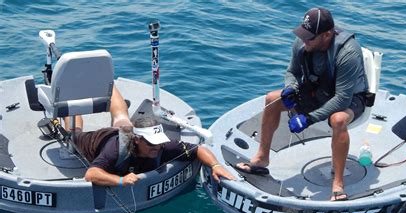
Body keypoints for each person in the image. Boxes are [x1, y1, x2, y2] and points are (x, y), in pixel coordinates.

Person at [235, 8, 368, 201]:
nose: (304, 41)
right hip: (318, 90)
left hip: (351, 99)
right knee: (272, 99)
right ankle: (262, 158)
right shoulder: (303, 41)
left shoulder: (348, 53)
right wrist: (291, 88)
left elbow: (342, 99)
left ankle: (338, 183)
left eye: (310, 38)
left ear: (327, 35)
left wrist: (308, 118)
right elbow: (292, 72)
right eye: (303, 36)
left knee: (338, 119)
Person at [66, 87, 235, 186]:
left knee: (122, 120)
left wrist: (215, 165)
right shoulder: (114, 150)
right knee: (73, 135)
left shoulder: (162, 145)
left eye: (159, 142)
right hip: (94, 140)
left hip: (125, 131)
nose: (157, 147)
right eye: (152, 144)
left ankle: (108, 83)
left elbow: (198, 149)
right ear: (137, 140)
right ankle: (70, 99)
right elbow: (92, 174)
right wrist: (119, 180)